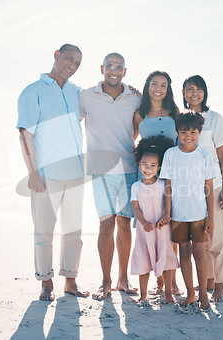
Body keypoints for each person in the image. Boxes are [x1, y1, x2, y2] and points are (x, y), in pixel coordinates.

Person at [16, 44, 89, 301]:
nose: (72, 65)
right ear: (56, 55)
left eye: (77, 63)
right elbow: (25, 135)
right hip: (46, 174)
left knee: (73, 231)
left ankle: (70, 280)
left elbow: (99, 99)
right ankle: (45, 282)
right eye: (69, 58)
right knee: (44, 232)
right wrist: (33, 173)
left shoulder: (75, 92)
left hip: (76, 173)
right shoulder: (33, 92)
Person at [79, 53, 141, 300]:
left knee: (125, 224)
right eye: (110, 66)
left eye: (119, 67)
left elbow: (138, 127)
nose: (114, 71)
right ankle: (105, 282)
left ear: (125, 72)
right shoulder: (86, 96)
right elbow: (71, 121)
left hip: (129, 169)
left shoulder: (134, 97)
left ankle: (122, 279)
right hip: (101, 171)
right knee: (106, 224)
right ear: (102, 69)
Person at [159, 112, 217, 310]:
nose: (188, 135)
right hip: (178, 214)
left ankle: (203, 295)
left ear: (199, 133)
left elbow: (208, 188)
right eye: (184, 131)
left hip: (199, 214)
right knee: (184, 251)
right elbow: (168, 186)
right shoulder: (170, 154)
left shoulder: (204, 156)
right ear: (178, 132)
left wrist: (211, 216)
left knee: (199, 252)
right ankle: (190, 293)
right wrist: (167, 213)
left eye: (193, 131)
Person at [182, 75, 223, 302]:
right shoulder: (181, 120)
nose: (194, 93)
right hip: (191, 190)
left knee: (218, 235)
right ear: (183, 94)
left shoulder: (215, 119)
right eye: (189, 89)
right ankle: (208, 280)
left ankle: (219, 285)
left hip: (215, 186)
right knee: (200, 239)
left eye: (198, 89)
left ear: (204, 92)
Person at [133, 71, 182, 296]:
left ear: (168, 88)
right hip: (147, 177)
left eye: (163, 85)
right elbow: (131, 142)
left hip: (171, 176)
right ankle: (158, 281)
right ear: (147, 86)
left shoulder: (175, 112)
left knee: (169, 228)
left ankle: (170, 282)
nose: (158, 88)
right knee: (151, 228)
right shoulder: (139, 114)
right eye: (154, 84)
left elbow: (183, 141)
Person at [130, 136, 179, 304]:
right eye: (144, 164)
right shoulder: (136, 186)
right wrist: (143, 222)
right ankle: (143, 295)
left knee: (165, 259)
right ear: (139, 165)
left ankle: (167, 293)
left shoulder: (162, 184)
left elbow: (168, 205)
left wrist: (165, 217)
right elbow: (136, 208)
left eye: (152, 165)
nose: (148, 168)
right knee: (143, 259)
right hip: (145, 231)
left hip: (161, 229)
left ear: (158, 167)